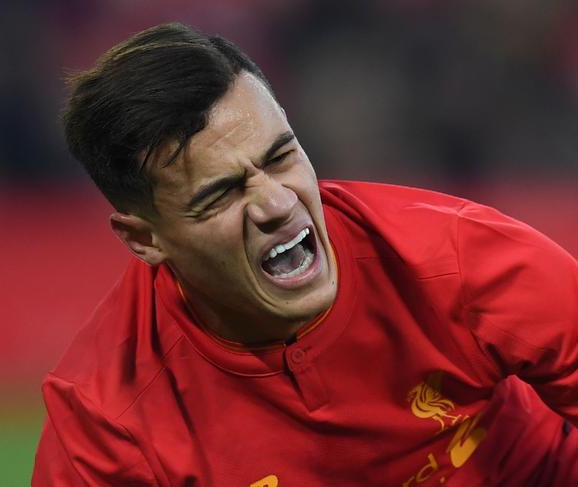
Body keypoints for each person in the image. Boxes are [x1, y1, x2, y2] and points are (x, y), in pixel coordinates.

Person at [32, 22, 578, 486]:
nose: (275, 202)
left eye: (281, 155)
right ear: (145, 239)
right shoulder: (104, 427)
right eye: (221, 193)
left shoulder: (458, 257)